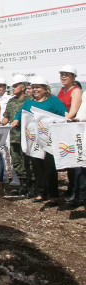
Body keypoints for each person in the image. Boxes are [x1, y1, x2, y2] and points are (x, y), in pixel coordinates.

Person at [11, 76, 67, 204]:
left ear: (45, 89)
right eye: (33, 87)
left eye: (38, 87)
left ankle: (53, 194)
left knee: (49, 166)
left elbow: (63, 114)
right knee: (37, 165)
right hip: (34, 140)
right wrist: (15, 120)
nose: (35, 90)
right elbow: (21, 113)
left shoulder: (53, 100)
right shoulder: (29, 102)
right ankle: (41, 192)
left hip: (49, 139)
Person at [0, 74, 33, 196]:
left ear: (23, 87)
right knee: (16, 161)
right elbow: (6, 116)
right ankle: (23, 183)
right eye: (12, 86)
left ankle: (32, 185)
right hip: (14, 136)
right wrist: (0, 124)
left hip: (26, 136)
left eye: (15, 86)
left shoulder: (29, 100)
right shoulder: (11, 101)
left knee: (28, 161)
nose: (13, 88)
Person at [57, 65, 82, 202]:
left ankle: (77, 193)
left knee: (76, 162)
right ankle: (70, 188)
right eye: (62, 74)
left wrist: (60, 121)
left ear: (73, 77)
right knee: (68, 161)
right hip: (63, 128)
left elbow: (73, 111)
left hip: (72, 128)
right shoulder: (61, 90)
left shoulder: (75, 91)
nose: (63, 77)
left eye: (67, 74)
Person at [0, 77, 15, 187]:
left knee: (11, 154)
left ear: (4, 87)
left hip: (9, 127)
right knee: (1, 153)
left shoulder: (10, 98)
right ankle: (4, 178)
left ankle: (15, 179)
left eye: (0, 86)